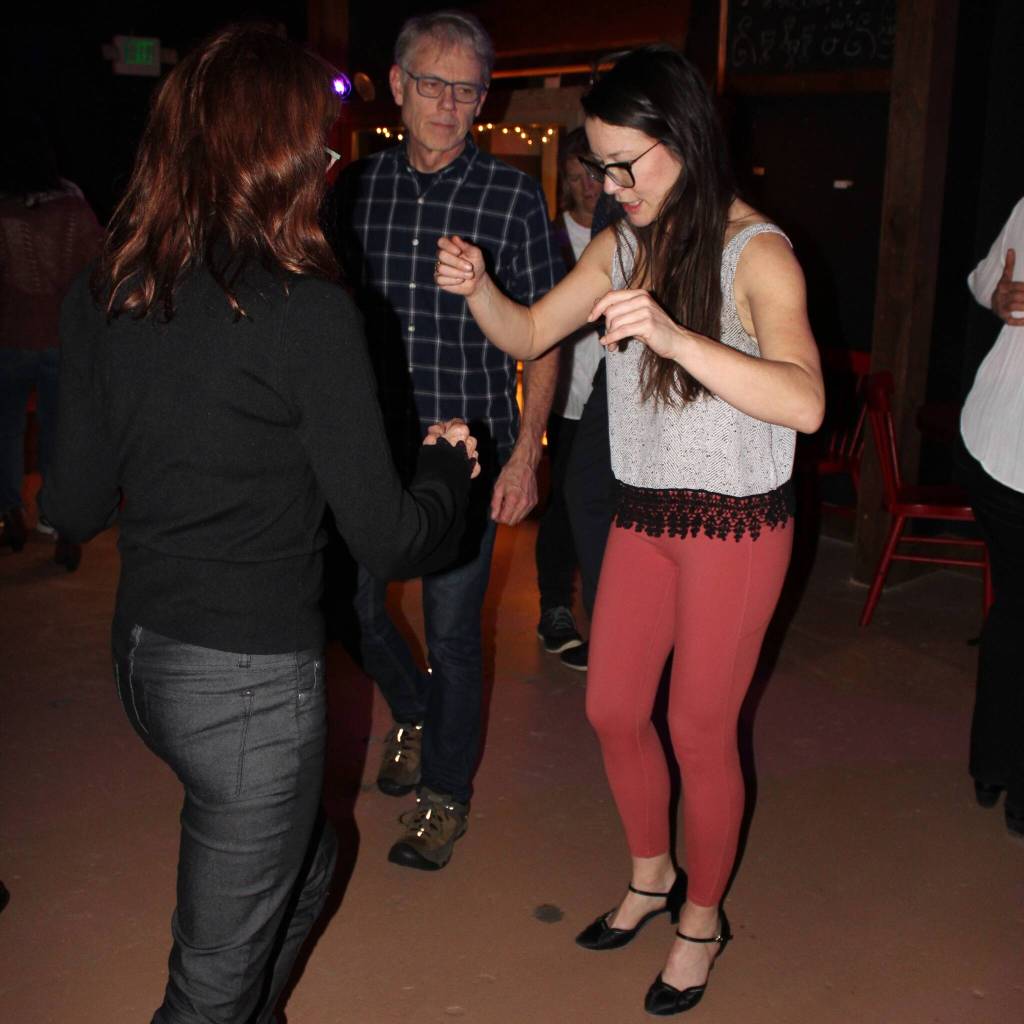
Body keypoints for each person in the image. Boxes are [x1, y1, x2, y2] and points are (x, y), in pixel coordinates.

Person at [40, 25, 478, 1024]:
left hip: (145, 662)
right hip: (244, 695)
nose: (327, 170)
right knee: (204, 992)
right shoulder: (306, 314)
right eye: (318, 150)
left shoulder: (107, 287)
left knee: (311, 864)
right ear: (275, 161)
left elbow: (67, 507)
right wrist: (447, 465)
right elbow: (395, 536)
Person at [436, 45, 823, 1015]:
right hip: (643, 513)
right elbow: (530, 334)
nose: (608, 185)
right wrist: (478, 286)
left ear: (684, 142)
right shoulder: (617, 241)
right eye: (600, 166)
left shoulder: (756, 251)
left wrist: (675, 334)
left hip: (733, 524)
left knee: (697, 726)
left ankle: (702, 916)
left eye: (624, 164)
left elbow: (807, 402)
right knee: (612, 708)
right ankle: (651, 873)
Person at [325, 9, 561, 871]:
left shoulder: (510, 196)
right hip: (368, 449)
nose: (449, 105)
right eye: (433, 84)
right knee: (349, 607)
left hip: (469, 450)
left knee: (456, 632)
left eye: (466, 90)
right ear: (397, 85)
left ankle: (444, 796)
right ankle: (415, 714)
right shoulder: (352, 190)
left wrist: (530, 450)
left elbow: (544, 333)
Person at [0, 113, 103, 568]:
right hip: (62, 340)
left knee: (7, 430)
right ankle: (61, 525)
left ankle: (8, 513)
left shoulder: (3, 209)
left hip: (10, 338)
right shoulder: (74, 209)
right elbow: (96, 271)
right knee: (60, 434)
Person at [959, 196, 1024, 839]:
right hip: (1002, 447)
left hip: (994, 441)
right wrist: (999, 294)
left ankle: (990, 766)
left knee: (1013, 609)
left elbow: (983, 278)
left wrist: (995, 292)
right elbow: (985, 278)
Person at [534, 127, 603, 663]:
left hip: (618, 403)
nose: (587, 186)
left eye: (594, 173)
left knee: (612, 511)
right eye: (577, 176)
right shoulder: (551, 237)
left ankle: (610, 616)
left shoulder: (628, 233)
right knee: (563, 506)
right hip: (565, 399)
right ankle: (555, 607)